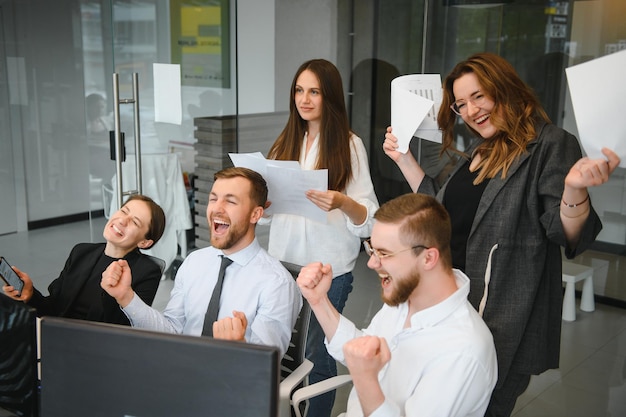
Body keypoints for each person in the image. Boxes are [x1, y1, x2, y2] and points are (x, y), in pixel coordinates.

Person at [383, 52, 621, 416]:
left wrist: (574, 189)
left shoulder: (551, 143)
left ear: (504, 87)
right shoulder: (481, 149)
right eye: (461, 104)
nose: (471, 110)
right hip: (449, 306)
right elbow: (440, 211)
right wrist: (403, 159)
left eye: (479, 96)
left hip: (503, 315)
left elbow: (570, 236)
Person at [297, 193, 498, 417]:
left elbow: (365, 369)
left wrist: (366, 381)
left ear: (428, 258)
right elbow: (362, 352)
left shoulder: (463, 352)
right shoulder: (405, 296)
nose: (372, 263)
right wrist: (319, 301)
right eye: (372, 249)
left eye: (384, 253)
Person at [264, 58, 379, 416]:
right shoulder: (286, 142)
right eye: (299, 90)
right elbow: (272, 213)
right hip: (283, 264)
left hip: (328, 271)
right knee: (282, 351)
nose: (305, 98)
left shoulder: (349, 144)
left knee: (316, 356)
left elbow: (369, 220)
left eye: (314, 91)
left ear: (329, 96)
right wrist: (262, 204)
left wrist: (342, 201)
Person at [101, 167, 302, 357]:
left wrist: (240, 348)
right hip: (181, 372)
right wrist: (126, 297)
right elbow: (171, 331)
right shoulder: (194, 262)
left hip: (232, 386)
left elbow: (267, 366)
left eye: (230, 202)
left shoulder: (277, 283)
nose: (217, 209)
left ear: (255, 214)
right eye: (213, 199)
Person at [2, 194, 166, 326]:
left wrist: (117, 292)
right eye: (124, 211)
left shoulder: (146, 271)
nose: (122, 220)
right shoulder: (81, 252)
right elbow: (53, 310)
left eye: (135, 222)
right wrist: (31, 295)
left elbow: (123, 328)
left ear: (144, 242)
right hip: (58, 341)